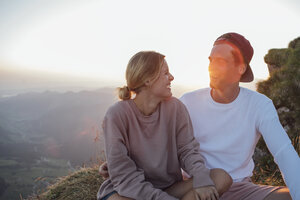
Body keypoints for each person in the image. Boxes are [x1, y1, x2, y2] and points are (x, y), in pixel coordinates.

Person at [179, 32, 300, 200]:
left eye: (220, 61)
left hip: (240, 190)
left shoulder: (259, 105)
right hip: (196, 187)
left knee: (288, 197)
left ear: (240, 68)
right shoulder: (187, 102)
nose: (211, 67)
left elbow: (284, 153)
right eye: (210, 60)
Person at [97, 51, 232, 200]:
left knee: (221, 177)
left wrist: (202, 179)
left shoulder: (175, 108)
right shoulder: (116, 114)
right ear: (148, 80)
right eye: (166, 73)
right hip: (130, 192)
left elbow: (188, 150)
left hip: (169, 188)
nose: (172, 77)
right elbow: (124, 176)